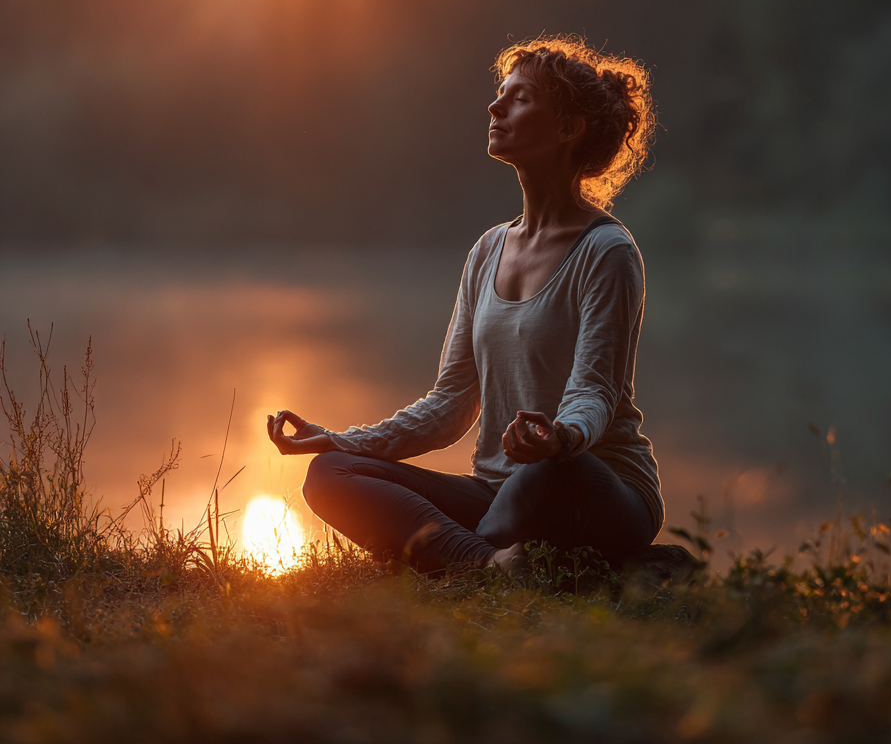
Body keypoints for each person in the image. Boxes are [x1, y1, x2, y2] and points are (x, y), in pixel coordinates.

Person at [267, 36, 663, 572]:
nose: (496, 107)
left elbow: (594, 390)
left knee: (547, 475)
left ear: (569, 129)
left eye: (520, 98)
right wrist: (339, 439)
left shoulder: (606, 251)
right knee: (332, 473)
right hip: (499, 490)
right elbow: (449, 405)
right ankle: (488, 563)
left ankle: (467, 559)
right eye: (501, 95)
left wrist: (560, 437)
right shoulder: (487, 250)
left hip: (591, 482)